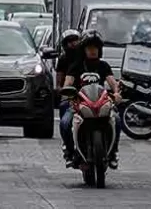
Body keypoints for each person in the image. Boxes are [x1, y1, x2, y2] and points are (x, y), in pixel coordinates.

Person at [60, 30, 123, 169]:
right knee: (65, 123)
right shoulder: (75, 66)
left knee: (117, 120)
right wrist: (69, 94)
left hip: (101, 105)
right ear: (84, 50)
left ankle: (113, 153)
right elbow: (67, 84)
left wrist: (117, 93)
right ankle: (70, 153)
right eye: (89, 48)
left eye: (95, 48)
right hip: (79, 105)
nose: (93, 51)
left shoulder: (103, 66)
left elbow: (113, 83)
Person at [53, 29, 82, 164]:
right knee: (65, 123)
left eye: (75, 40)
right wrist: (62, 90)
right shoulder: (64, 60)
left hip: (91, 97)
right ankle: (69, 148)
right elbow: (60, 83)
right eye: (70, 42)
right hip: (72, 98)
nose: (73, 44)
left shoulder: (91, 60)